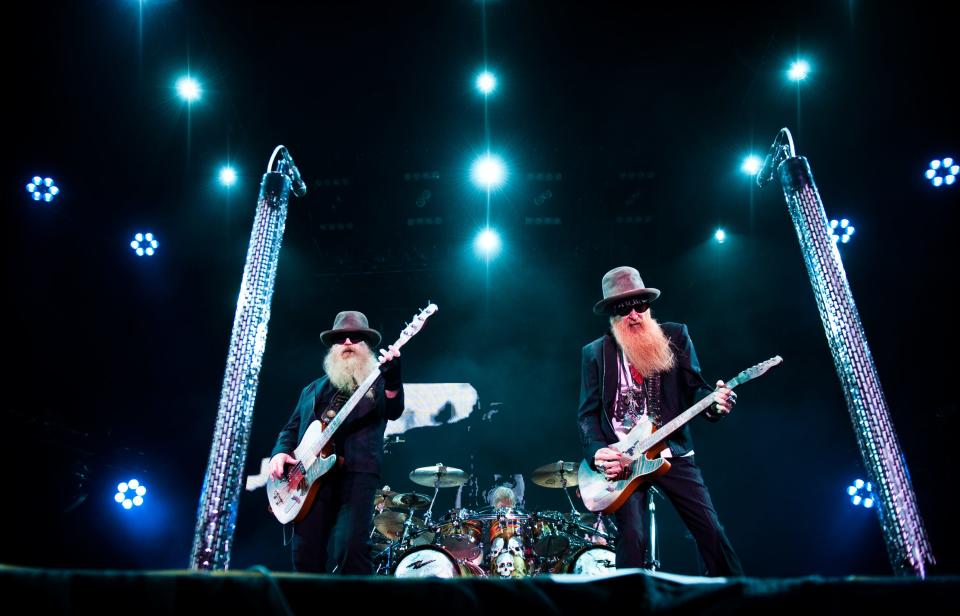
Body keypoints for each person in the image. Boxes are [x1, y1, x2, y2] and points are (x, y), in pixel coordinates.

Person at [577, 266, 743, 576]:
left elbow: (696, 389)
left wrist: (715, 405)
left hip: (672, 454)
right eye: (624, 309)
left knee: (711, 531)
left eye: (641, 305)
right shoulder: (595, 354)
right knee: (631, 539)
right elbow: (587, 415)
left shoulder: (676, 336)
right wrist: (597, 451)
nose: (635, 314)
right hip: (624, 461)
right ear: (612, 314)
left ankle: (735, 597)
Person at [269, 310, 403, 574]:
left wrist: (394, 378)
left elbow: (394, 407)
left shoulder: (377, 385)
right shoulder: (312, 390)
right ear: (332, 347)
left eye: (356, 338)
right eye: (341, 338)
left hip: (357, 475)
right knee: (305, 555)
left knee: (351, 550)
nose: (348, 343)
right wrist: (279, 453)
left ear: (366, 347)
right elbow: (290, 429)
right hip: (308, 482)